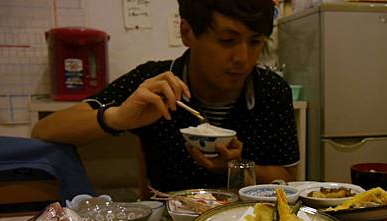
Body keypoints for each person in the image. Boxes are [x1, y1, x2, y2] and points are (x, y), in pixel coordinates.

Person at [32, 0, 299, 192]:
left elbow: (287, 176)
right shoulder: (155, 83)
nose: (243, 58)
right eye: (227, 40)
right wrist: (119, 117)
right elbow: (45, 129)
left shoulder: (272, 90)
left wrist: (236, 167)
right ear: (186, 33)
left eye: (255, 42)